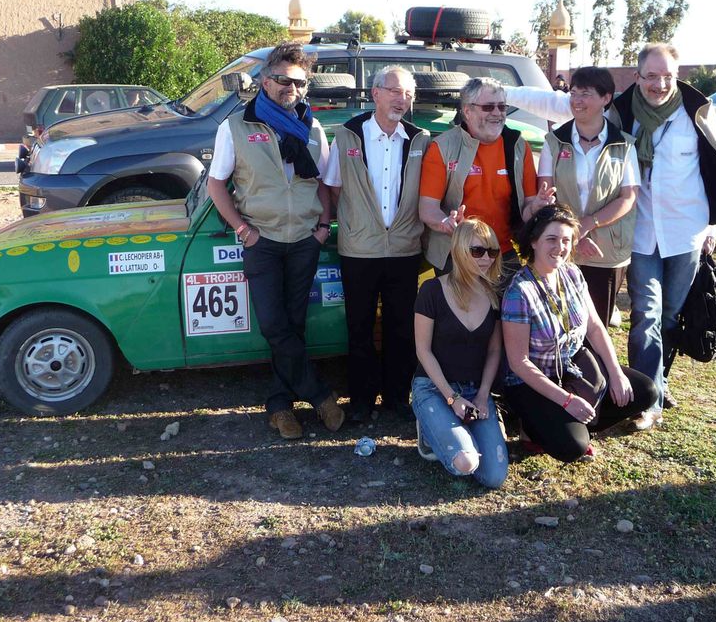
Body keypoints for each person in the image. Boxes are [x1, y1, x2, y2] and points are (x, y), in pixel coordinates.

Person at [607, 43, 716, 429]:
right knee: (646, 315)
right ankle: (646, 400)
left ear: (677, 76)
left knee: (671, 315)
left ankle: (660, 381)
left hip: (686, 229)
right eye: (652, 76)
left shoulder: (697, 112)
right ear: (637, 77)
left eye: (667, 76)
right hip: (641, 230)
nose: (659, 84)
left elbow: (715, 166)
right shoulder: (623, 113)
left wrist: (713, 224)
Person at [207, 42, 344, 439]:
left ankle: (281, 407)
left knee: (293, 326)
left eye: (299, 82)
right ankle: (320, 395)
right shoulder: (236, 126)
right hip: (261, 240)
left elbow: (322, 183)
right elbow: (217, 184)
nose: (291, 88)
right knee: (273, 325)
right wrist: (242, 228)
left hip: (303, 239)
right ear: (266, 81)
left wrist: (323, 226)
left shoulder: (312, 128)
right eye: (283, 79)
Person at [501, 205, 659, 461]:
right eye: (551, 239)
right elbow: (519, 363)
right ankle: (533, 426)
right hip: (535, 381)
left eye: (566, 240)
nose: (560, 247)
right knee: (571, 448)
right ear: (534, 241)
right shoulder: (520, 292)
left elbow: (595, 328)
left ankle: (570, 422)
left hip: (574, 369)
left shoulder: (572, 273)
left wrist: (616, 373)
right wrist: (566, 401)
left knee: (645, 391)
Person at [323, 66, 430, 423]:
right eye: (396, 92)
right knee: (360, 327)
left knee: (402, 328)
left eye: (409, 94)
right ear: (376, 94)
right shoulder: (348, 135)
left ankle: (399, 398)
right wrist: (354, 223)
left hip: (404, 249)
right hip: (359, 250)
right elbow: (333, 188)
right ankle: (362, 401)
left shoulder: (419, 139)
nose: (403, 100)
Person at [507, 67, 639, 327]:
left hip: (606, 249)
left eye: (586, 94)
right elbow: (547, 193)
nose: (577, 101)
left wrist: (588, 224)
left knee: (596, 325)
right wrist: (574, 235)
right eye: (574, 93)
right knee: (559, 323)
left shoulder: (623, 144)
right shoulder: (554, 141)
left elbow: (628, 197)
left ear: (606, 98)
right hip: (561, 248)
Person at [419, 77, 555, 282]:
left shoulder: (517, 146)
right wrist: (445, 223)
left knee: (506, 313)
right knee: (465, 313)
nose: (497, 113)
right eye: (488, 107)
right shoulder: (442, 147)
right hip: (457, 252)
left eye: (502, 106)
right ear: (467, 111)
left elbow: (527, 208)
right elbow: (427, 209)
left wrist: (536, 206)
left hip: (504, 252)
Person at [411, 218, 508, 488]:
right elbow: (423, 349)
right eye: (477, 251)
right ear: (459, 250)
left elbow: (494, 350)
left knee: (493, 477)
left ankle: (456, 429)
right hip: (434, 388)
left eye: (492, 251)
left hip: (475, 390)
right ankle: (430, 428)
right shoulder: (431, 290)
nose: (486, 259)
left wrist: (483, 394)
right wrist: (452, 399)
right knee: (465, 463)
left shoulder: (494, 295)